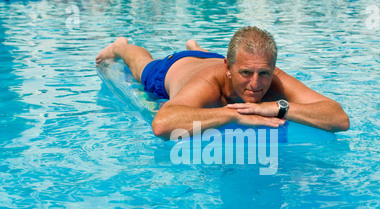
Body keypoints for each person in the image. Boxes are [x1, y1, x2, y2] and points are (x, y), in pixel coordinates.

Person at [96, 26, 350, 139]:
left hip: (213, 58)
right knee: (142, 66)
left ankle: (196, 48)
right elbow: (162, 125)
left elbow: (339, 118)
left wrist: (277, 107)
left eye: (264, 73)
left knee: (215, 60)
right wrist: (233, 116)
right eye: (246, 73)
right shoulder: (208, 83)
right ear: (229, 69)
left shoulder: (268, 76)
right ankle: (122, 46)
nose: (256, 83)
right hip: (172, 69)